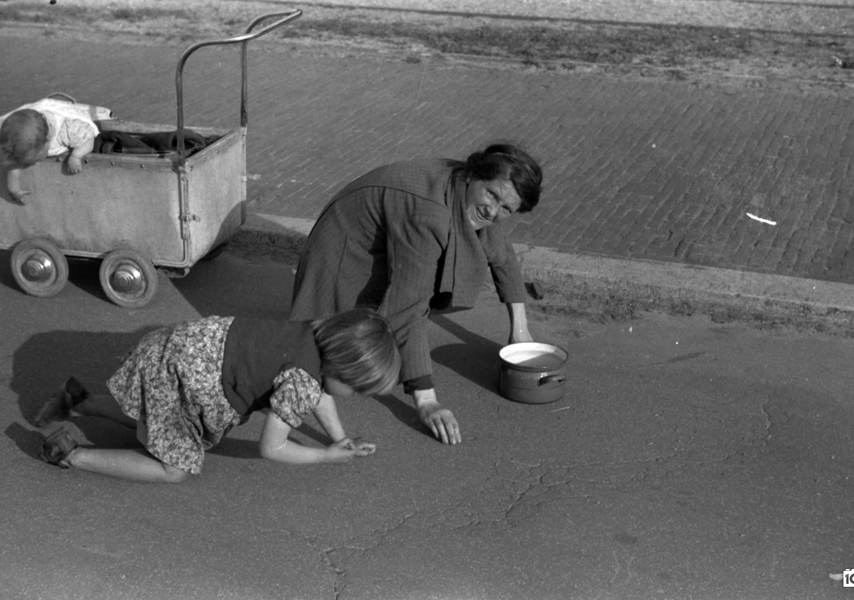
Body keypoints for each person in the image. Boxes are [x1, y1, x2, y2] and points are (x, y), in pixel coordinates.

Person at [290, 143, 543, 445]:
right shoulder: (430, 214)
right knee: (325, 353)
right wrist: (427, 401)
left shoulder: (471, 192)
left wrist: (520, 331)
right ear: (474, 175)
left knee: (396, 314)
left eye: (507, 209)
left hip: (382, 235)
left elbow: (499, 250)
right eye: (492, 195)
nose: (494, 211)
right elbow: (409, 305)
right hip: (342, 247)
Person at [35, 308, 401, 483]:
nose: (355, 395)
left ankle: (79, 402)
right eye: (357, 388)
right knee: (174, 469)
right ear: (338, 366)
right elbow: (271, 448)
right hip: (183, 373)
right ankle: (73, 456)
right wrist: (324, 456)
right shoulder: (304, 380)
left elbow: (323, 395)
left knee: (158, 415)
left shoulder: (312, 334)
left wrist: (341, 439)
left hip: (175, 348)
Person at [1, 98, 99, 204]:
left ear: (46, 143)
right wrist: (15, 191)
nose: (34, 164)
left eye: (35, 159)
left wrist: (76, 155)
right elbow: (13, 167)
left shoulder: (68, 131)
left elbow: (89, 138)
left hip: (59, 114)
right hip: (28, 119)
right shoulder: (14, 143)